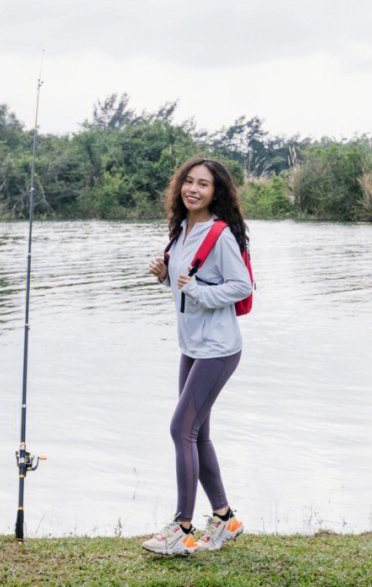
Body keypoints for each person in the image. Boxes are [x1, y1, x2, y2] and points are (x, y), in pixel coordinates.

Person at [142, 157, 253, 556]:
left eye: (203, 184)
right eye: (188, 181)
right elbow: (184, 281)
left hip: (218, 349)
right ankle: (224, 519)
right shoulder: (182, 230)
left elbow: (242, 285)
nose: (193, 189)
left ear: (215, 191)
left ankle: (181, 528)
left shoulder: (219, 234)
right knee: (197, 433)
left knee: (180, 429)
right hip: (192, 347)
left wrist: (200, 294)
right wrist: (163, 272)